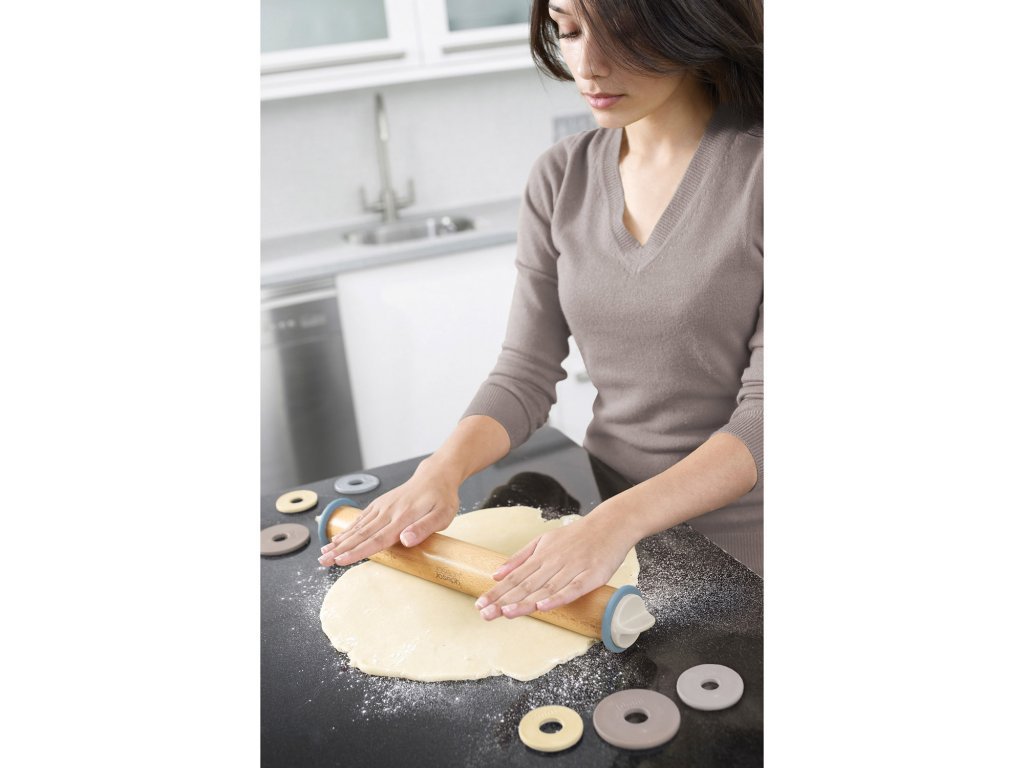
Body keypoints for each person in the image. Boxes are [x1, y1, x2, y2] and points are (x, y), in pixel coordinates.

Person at [318, 0, 764, 619]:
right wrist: (440, 472)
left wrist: (614, 523)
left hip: (741, 553)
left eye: (619, 33)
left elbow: (764, 420)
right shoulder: (561, 176)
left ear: (687, 22)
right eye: (570, 30)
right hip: (606, 531)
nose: (588, 64)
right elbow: (525, 371)